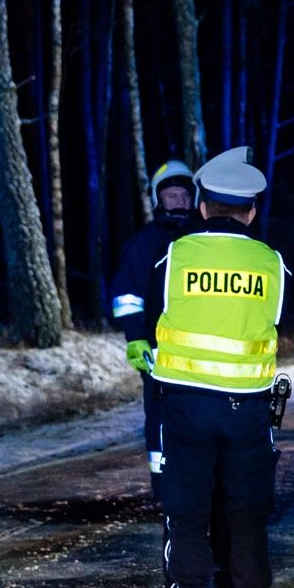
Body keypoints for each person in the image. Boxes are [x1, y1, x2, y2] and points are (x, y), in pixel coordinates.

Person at [149, 147, 289, 588]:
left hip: (186, 406)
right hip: (248, 408)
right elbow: (277, 323)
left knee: (186, 514)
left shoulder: (176, 255)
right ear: (251, 211)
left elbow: (151, 319)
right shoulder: (271, 263)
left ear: (203, 206)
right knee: (246, 513)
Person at [108, 158, 197, 485]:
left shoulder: (203, 239)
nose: (180, 201)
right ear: (157, 199)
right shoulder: (141, 245)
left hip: (202, 356)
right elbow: (126, 295)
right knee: (161, 420)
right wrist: (135, 337)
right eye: (172, 195)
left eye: (185, 195)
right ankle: (164, 485)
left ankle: (202, 485)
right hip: (158, 353)